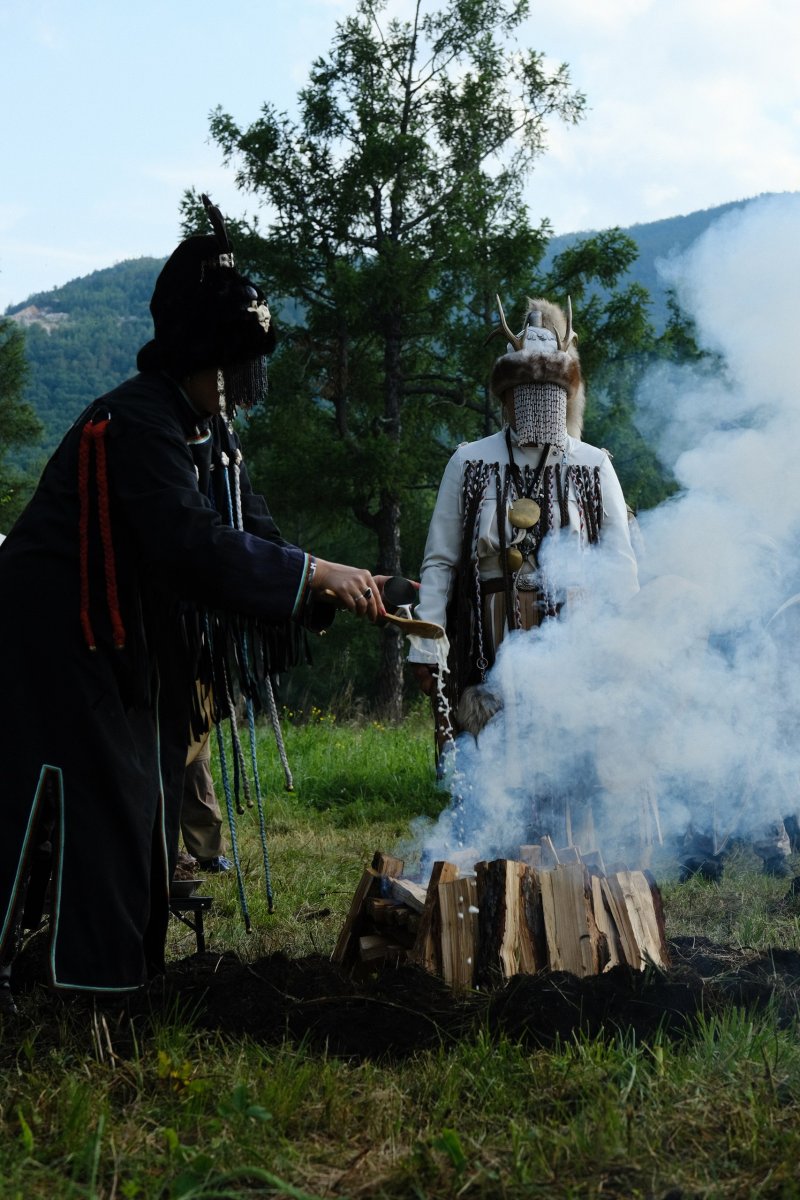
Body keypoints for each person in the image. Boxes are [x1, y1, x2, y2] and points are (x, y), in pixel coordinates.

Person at [0, 197, 383, 997]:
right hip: (64, 640)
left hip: (127, 647)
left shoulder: (208, 433)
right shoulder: (138, 424)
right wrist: (313, 574)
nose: (245, 387)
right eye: (234, 367)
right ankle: (88, 987)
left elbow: (260, 535)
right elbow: (192, 546)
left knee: (145, 802)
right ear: (201, 356)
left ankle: (123, 976)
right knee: (106, 803)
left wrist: (360, 584)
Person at [408, 296, 640, 849]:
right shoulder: (470, 462)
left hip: (574, 637)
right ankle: (491, 866)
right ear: (507, 398)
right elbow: (440, 561)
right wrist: (427, 644)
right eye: (524, 397)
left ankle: (570, 869)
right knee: (493, 753)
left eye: (548, 397)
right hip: (488, 634)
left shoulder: (592, 465)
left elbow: (620, 564)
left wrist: (627, 650)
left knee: (569, 756)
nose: (536, 408)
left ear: (566, 396)